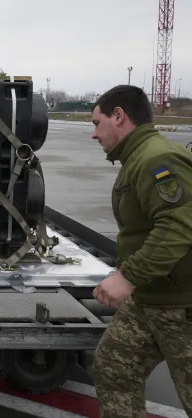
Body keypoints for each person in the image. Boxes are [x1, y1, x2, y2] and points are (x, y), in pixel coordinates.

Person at [89, 85, 192, 416]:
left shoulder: (156, 158)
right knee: (115, 368)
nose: (94, 134)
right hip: (151, 300)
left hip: (181, 306)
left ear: (118, 116)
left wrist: (127, 278)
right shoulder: (137, 158)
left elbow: (178, 226)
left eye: (96, 122)